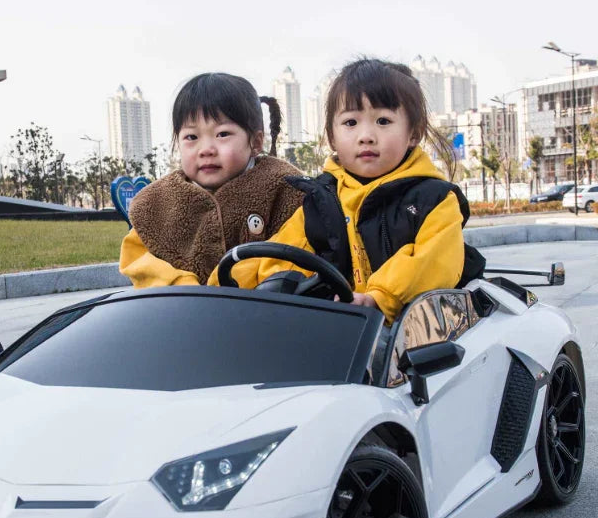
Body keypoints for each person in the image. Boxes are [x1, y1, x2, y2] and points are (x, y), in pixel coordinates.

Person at [211, 58, 484, 322]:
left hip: (416, 336)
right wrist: (220, 287)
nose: (366, 135)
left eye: (383, 121)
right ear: (332, 136)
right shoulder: (321, 201)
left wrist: (380, 297)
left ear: (413, 133)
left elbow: (433, 263)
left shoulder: (434, 199)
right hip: (347, 333)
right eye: (351, 123)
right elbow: (278, 253)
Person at [119, 73, 304, 288]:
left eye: (222, 134)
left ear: (255, 142)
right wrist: (181, 285)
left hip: (262, 310)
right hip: (182, 312)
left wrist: (238, 281)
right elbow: (138, 258)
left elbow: (294, 245)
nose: (206, 149)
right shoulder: (157, 203)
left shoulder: (286, 188)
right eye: (191, 137)